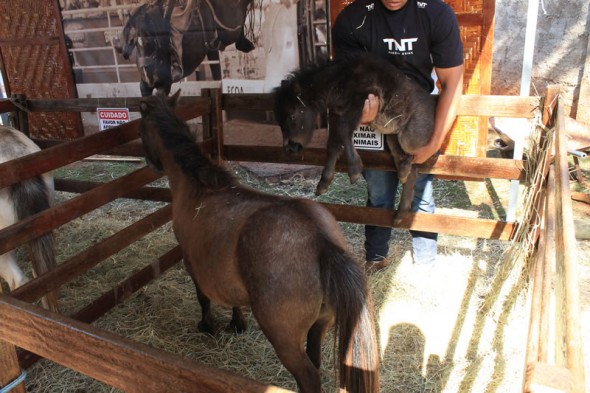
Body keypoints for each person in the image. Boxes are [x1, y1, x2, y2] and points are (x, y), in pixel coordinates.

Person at [332, 0, 464, 271]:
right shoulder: (354, 19)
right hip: (377, 113)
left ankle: (425, 261)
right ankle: (376, 258)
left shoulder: (436, 14)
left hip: (419, 113)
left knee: (421, 191)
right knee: (379, 191)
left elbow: (452, 82)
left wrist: (434, 142)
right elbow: (348, 79)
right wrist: (361, 107)